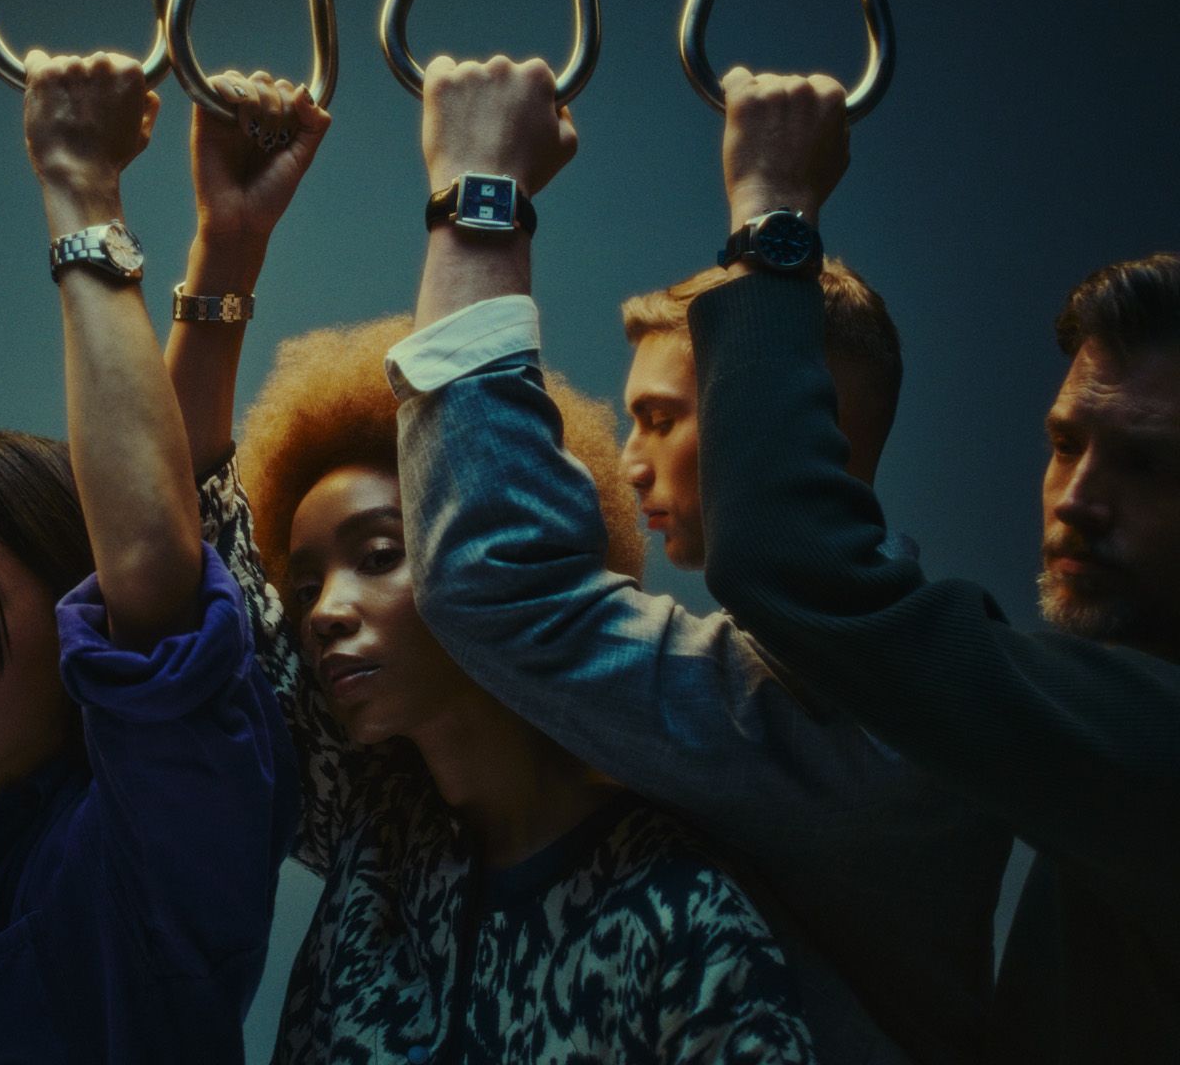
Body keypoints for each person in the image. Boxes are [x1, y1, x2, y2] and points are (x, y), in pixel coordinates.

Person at [167, 66, 816, 1062]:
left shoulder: (679, 911)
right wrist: (227, 242)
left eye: (380, 556)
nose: (326, 610)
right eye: (304, 586)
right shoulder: (369, 834)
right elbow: (182, 518)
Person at [389, 58, 1013, 1061]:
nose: (628, 462)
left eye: (662, 418)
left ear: (802, 418)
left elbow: (494, 577)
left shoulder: (886, 713)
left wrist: (478, 193)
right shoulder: (800, 688)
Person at [0, 51, 297, 1064]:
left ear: (80, 618)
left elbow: (152, 558)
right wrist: (227, 244)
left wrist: (81, 182)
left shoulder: (154, 833)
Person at [689, 69, 1180, 1059]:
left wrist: (772, 210)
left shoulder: (1156, 747)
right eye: (1064, 444)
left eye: (1147, 464)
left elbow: (787, 558)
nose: (1076, 499)